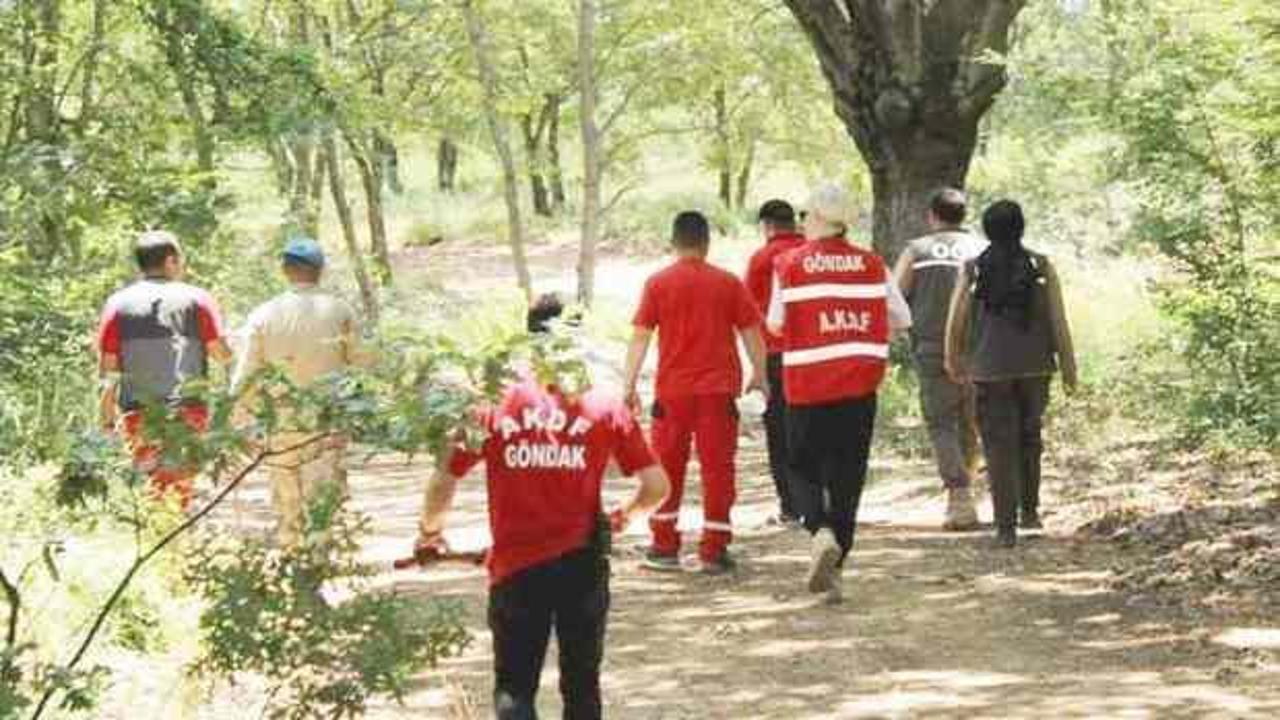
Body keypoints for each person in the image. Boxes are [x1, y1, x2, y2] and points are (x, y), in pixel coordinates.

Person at [415, 377, 669, 719]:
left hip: (516, 569)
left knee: (514, 688)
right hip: (584, 564)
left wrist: (430, 533)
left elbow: (444, 479)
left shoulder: (490, 405)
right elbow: (657, 487)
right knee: (582, 686)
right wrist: (624, 515)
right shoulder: (605, 404)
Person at [766, 184, 912, 603]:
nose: (802, 223)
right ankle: (838, 568)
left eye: (805, 216)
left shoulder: (788, 263)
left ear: (816, 219)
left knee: (801, 467)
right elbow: (902, 317)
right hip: (859, 386)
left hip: (807, 386)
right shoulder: (872, 264)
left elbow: (776, 323)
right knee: (848, 475)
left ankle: (820, 530)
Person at [622, 211, 769, 574]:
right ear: (706, 243)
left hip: (673, 393)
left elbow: (641, 336)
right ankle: (714, 549)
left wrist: (628, 384)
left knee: (666, 466)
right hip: (718, 392)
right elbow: (751, 332)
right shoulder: (728, 283)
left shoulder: (658, 283)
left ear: (674, 243)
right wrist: (760, 373)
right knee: (718, 469)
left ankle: (664, 545)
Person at [944, 200, 1078, 548]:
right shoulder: (1040, 264)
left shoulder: (973, 268)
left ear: (987, 230)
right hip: (1036, 367)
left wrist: (952, 357)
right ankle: (1030, 512)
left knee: (998, 444)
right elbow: (1057, 318)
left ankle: (1005, 527)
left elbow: (956, 317)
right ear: (1021, 227)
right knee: (1030, 437)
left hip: (989, 369)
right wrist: (1068, 366)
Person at [231, 238, 370, 548]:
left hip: (278, 424)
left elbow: (246, 374)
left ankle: (296, 569)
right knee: (322, 499)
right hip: (325, 423)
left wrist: (239, 423)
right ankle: (315, 569)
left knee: (287, 501)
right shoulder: (339, 311)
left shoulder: (263, 314)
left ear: (284, 270)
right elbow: (364, 362)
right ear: (320, 271)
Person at [97, 230, 233, 509]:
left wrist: (106, 416)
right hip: (187, 410)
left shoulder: (117, 304)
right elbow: (220, 354)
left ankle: (156, 544)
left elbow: (108, 369)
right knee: (179, 486)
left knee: (152, 486)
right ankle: (172, 545)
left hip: (138, 413)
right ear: (171, 260)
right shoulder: (197, 299)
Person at [893, 189, 984, 531]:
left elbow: (896, 297)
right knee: (972, 421)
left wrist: (900, 333)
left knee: (941, 422)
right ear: (963, 215)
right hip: (979, 350)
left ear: (932, 215)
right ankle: (972, 491)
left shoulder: (917, 250)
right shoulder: (982, 248)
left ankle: (959, 496)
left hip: (931, 348)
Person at [744, 199, 810, 527]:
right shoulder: (811, 252)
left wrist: (755, 369)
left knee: (779, 430)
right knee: (812, 425)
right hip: (814, 353)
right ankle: (817, 497)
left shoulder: (760, 259)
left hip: (775, 354)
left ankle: (789, 504)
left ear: (767, 225)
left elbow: (748, 316)